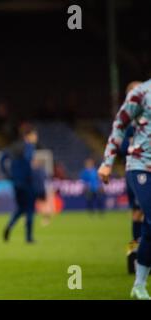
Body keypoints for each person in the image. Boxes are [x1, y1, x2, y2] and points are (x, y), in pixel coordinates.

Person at [98, 79, 151, 300]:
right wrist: (108, 161)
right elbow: (119, 125)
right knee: (141, 215)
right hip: (141, 166)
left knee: (148, 223)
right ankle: (133, 256)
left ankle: (138, 280)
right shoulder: (141, 93)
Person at [119, 81, 144, 274]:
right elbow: (120, 147)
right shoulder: (129, 120)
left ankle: (137, 255)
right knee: (139, 214)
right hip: (137, 172)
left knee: (140, 214)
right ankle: (135, 255)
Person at [0, 124, 38, 243]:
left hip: (16, 183)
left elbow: (1, 159)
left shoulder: (14, 146)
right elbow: (27, 159)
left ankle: (9, 226)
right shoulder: (29, 146)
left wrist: (8, 175)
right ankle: (29, 237)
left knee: (21, 208)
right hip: (27, 182)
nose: (36, 137)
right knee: (30, 209)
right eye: (35, 135)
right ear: (29, 135)